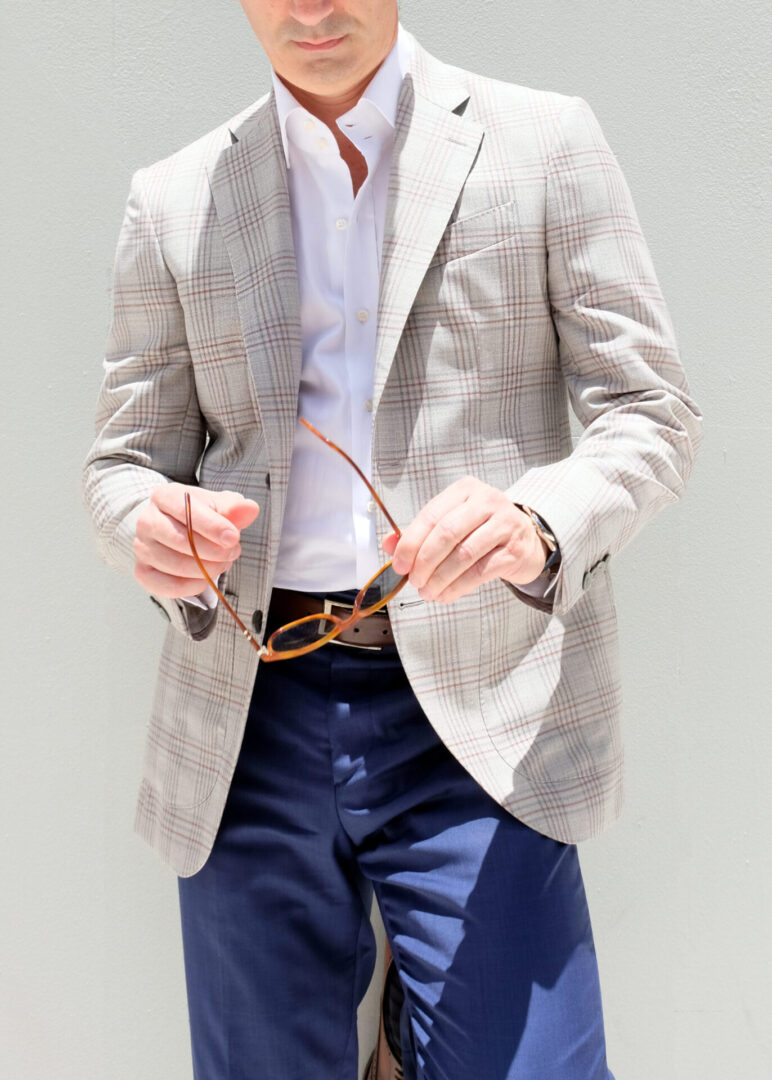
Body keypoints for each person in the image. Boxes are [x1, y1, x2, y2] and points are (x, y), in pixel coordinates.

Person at [83, 2, 702, 1077]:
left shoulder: (543, 143)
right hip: (247, 716)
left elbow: (650, 413)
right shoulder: (175, 196)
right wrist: (148, 524)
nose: (310, 8)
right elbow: (122, 462)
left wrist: (537, 520)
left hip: (481, 707)